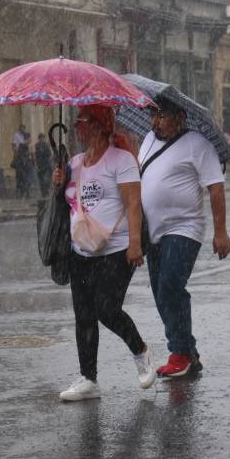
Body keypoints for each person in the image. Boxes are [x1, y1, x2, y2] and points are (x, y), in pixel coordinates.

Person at [52, 105, 156, 401]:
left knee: (106, 308)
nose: (76, 128)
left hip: (117, 247)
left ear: (98, 125)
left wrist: (135, 242)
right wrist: (58, 183)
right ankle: (89, 379)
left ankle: (141, 351)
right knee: (84, 314)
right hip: (80, 249)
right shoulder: (75, 163)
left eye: (82, 121)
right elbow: (66, 202)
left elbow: (133, 204)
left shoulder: (121, 160)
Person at [137, 98, 230, 378]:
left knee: (170, 285)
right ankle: (188, 351)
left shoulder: (197, 145)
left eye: (161, 116)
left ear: (179, 116)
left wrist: (221, 232)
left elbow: (215, 188)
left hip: (184, 227)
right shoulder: (147, 141)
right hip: (152, 231)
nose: (155, 122)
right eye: (152, 115)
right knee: (159, 291)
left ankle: (179, 353)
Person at [12, 124, 34, 198]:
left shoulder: (27, 142)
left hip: (26, 161)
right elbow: (15, 147)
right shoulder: (17, 137)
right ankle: (23, 192)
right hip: (21, 161)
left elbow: (31, 151)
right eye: (22, 129)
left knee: (27, 177)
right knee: (22, 177)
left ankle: (26, 192)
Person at [34, 132, 54, 199]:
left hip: (43, 165)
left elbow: (37, 156)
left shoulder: (38, 145)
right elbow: (49, 155)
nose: (42, 139)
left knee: (43, 180)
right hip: (44, 165)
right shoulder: (44, 145)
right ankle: (45, 192)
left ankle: (44, 192)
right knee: (44, 180)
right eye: (42, 138)